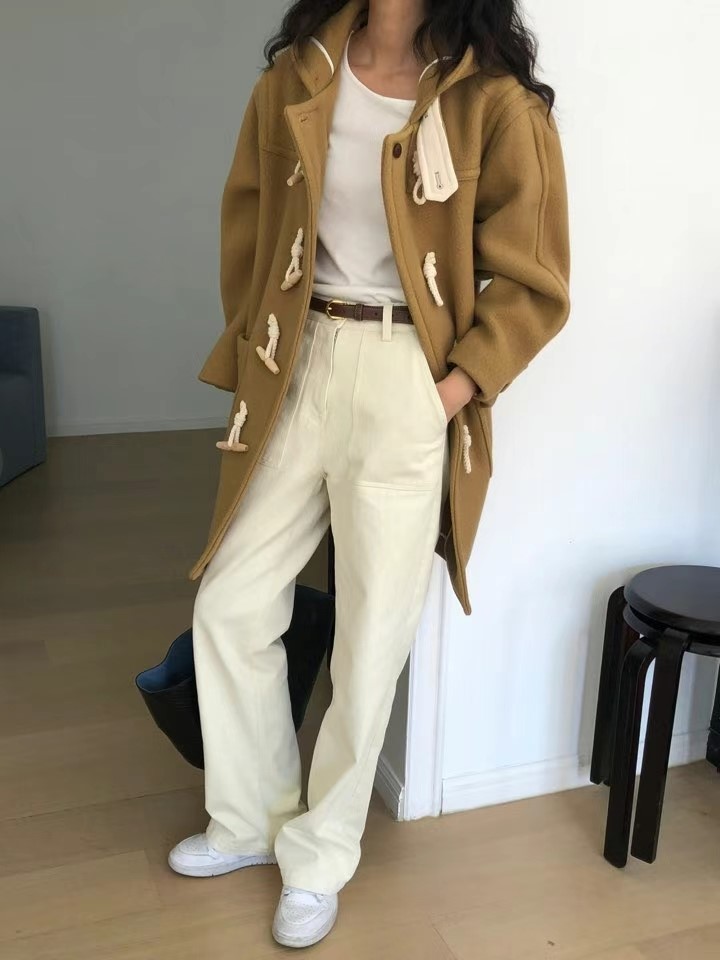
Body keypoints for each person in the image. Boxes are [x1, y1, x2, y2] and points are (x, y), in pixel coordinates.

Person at [169, 0, 570, 948]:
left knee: (371, 638)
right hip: (301, 355)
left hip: (407, 377)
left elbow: (535, 281)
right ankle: (252, 817)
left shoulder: (494, 101)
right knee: (230, 602)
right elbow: (251, 224)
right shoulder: (300, 72)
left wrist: (448, 392)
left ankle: (319, 857)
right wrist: (257, 349)